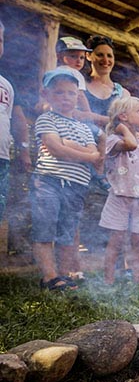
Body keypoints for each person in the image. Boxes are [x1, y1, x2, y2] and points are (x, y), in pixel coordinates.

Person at [31, 68, 100, 290]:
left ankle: (63, 274)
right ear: (47, 94)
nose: (66, 98)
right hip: (49, 181)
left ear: (78, 96)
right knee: (45, 229)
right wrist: (86, 155)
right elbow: (54, 148)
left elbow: (97, 154)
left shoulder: (84, 127)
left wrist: (68, 145)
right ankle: (49, 276)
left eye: (71, 93)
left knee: (67, 233)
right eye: (59, 93)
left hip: (77, 186)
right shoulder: (45, 119)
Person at [100, 97, 139, 285]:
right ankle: (108, 280)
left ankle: (138, 278)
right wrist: (121, 128)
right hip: (119, 198)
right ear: (123, 116)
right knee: (115, 240)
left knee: (138, 241)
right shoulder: (113, 140)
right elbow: (130, 144)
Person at [0, 19, 31, 223]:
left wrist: (24, 151)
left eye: (0, 40)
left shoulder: (6, 84)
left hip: (1, 159)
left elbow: (17, 121)